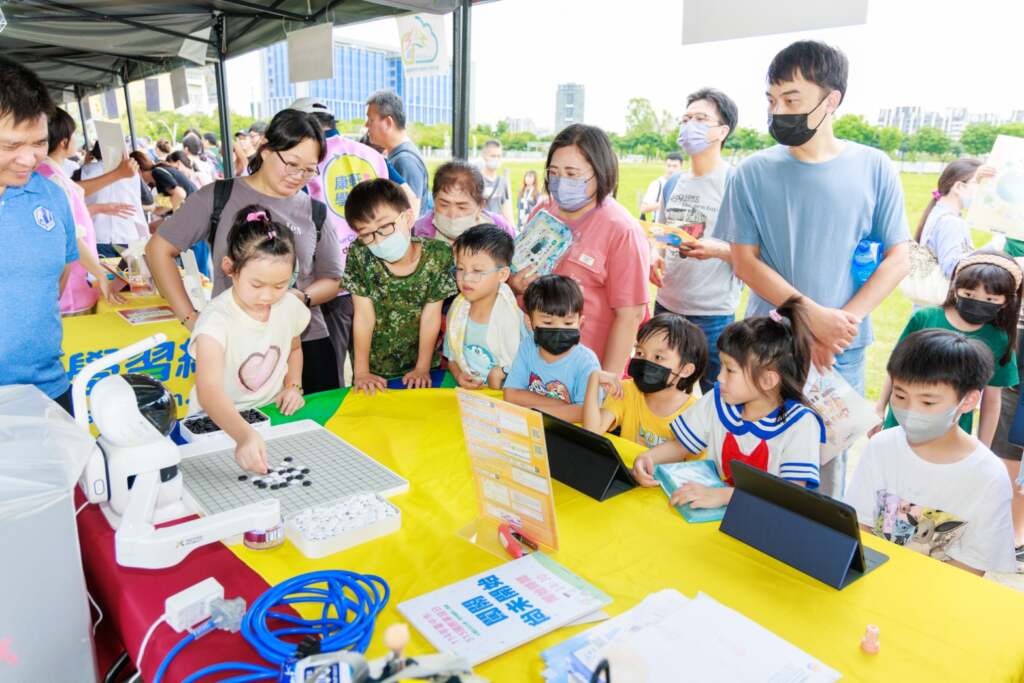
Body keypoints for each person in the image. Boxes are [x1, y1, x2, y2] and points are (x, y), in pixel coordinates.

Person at [717, 40, 910, 498]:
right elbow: (745, 261)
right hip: (769, 347)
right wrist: (808, 315)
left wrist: (839, 324)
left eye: (791, 99)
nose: (778, 110)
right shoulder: (751, 172)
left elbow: (897, 258)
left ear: (831, 101)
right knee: (754, 455)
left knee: (823, 468)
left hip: (839, 350)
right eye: (771, 99)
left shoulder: (874, 167)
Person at [147, 109, 344, 395]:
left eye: (308, 169)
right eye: (291, 163)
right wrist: (190, 317)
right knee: (243, 432)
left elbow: (333, 278)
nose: (298, 176)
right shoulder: (218, 197)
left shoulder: (314, 211)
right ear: (266, 149)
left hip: (304, 342)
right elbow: (158, 249)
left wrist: (300, 297)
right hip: (237, 344)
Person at [847, 330, 1016, 576]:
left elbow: (972, 567)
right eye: (900, 395)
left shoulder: (988, 475)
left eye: (928, 403)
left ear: (968, 401)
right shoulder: (882, 447)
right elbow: (859, 528)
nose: (910, 410)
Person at [632, 297, 825, 508]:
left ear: (767, 380)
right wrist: (648, 458)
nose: (719, 378)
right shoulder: (718, 401)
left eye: (730, 370)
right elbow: (681, 445)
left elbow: (790, 495)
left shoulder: (801, 424)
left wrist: (724, 496)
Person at [510, 124, 650, 374]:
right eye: (554, 173)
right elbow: (515, 272)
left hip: (585, 372)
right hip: (533, 365)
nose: (561, 182)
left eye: (572, 174)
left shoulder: (622, 230)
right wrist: (515, 284)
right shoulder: (542, 212)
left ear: (600, 172)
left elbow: (630, 316)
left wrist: (605, 384)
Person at [191, 206, 309, 473]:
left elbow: (294, 347)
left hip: (269, 416)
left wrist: (293, 385)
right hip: (217, 423)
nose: (268, 296)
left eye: (280, 285)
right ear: (230, 269)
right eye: (257, 285)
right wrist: (243, 434)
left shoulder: (288, 306)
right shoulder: (215, 321)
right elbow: (208, 391)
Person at [292, 96, 390, 388]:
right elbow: (407, 198)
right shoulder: (369, 154)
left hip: (326, 285)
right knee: (372, 371)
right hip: (375, 275)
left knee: (329, 371)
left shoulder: (305, 160)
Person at [876, 252, 1022, 447]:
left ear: (1005, 302)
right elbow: (895, 369)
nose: (978, 303)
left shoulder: (999, 338)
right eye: (969, 295)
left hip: (951, 435)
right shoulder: (925, 318)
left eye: (990, 299)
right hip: (902, 421)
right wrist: (879, 408)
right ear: (956, 288)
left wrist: (983, 447)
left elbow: (992, 399)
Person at [0, 56, 79, 413]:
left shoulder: (51, 195)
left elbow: (57, 277)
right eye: (11, 146)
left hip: (47, 391)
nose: (29, 159)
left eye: (38, 143)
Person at [651, 88, 741, 395]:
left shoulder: (735, 183)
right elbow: (662, 234)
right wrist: (654, 255)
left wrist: (715, 250)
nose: (691, 126)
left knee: (709, 399)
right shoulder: (673, 182)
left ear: (722, 131)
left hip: (712, 315)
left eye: (701, 119)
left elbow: (757, 251)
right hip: (666, 305)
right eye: (686, 118)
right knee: (660, 390)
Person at [342, 178, 456, 394]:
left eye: (385, 226)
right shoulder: (360, 254)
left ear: (408, 217)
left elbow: (431, 316)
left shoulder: (438, 255)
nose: (378, 240)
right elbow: (364, 316)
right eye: (366, 234)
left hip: (422, 366)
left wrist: (422, 368)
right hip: (374, 371)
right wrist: (362, 372)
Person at [38, 108, 125, 312]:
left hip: (70, 284)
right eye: (74, 134)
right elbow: (70, 236)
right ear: (64, 141)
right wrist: (101, 275)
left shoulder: (47, 173)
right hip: (70, 292)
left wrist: (96, 208)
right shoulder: (53, 179)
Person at [583, 313, 707, 448]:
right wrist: (594, 379)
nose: (645, 362)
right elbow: (592, 432)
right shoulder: (625, 391)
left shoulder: (695, 413)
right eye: (640, 353)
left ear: (685, 370)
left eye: (658, 357)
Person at [503, 275, 601, 423]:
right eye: (548, 322)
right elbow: (511, 394)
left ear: (580, 323)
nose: (558, 329)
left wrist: (536, 413)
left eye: (568, 323)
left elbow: (586, 412)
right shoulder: (528, 346)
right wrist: (560, 405)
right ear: (529, 322)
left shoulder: (586, 362)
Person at [444, 225, 527, 390]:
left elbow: (529, 365)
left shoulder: (515, 319)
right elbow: (452, 357)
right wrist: (459, 375)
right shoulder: (456, 312)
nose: (466, 278)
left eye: (477, 271)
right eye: (460, 269)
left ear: (502, 274)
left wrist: (502, 375)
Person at [914, 159, 989, 279]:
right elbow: (952, 268)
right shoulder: (951, 222)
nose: (984, 192)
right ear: (959, 187)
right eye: (978, 184)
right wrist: (995, 247)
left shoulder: (938, 212)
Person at [413, 160, 515, 243]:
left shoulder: (500, 228)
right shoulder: (417, 233)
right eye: (444, 205)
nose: (452, 214)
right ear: (434, 201)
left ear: (480, 206)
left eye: (462, 207)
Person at [365, 90, 430, 216]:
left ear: (388, 122)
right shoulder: (396, 155)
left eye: (370, 119)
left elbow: (409, 214)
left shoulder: (405, 161)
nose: (366, 125)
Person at [80, 143, 149, 258]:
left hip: (98, 235)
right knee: (128, 274)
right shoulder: (133, 172)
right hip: (129, 234)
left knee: (103, 274)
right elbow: (148, 199)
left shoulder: (86, 170)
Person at [638, 152, 682, 221]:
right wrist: (664, 204)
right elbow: (643, 208)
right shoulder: (657, 184)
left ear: (680, 167)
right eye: (669, 166)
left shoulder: (684, 185)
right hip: (660, 228)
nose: (671, 169)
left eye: (675, 166)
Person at [480, 139, 514, 225]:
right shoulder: (476, 179)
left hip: (496, 232)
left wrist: (512, 230)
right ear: (484, 156)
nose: (496, 159)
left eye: (499, 156)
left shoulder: (502, 182)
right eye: (493, 156)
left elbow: (506, 210)